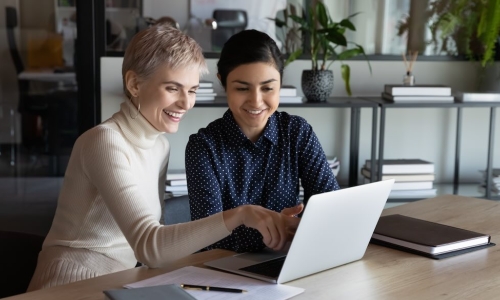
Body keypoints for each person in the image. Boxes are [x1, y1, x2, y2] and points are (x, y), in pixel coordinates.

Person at [27, 25, 301, 291]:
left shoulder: (159, 146)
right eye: (173, 88)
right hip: (71, 283)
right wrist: (242, 214)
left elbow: (150, 250)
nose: (186, 103)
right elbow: (150, 247)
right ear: (134, 84)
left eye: (192, 90)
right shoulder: (104, 142)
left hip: (121, 280)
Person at [186, 29, 340, 253]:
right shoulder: (204, 147)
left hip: (289, 262)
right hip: (225, 271)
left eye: (268, 88)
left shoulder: (297, 132)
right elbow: (206, 239)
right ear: (223, 82)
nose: (256, 101)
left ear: (280, 82)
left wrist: (292, 228)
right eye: (242, 88)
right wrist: (274, 231)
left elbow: (331, 208)